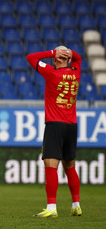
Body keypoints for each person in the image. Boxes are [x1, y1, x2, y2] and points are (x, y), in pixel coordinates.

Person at [26, 46, 82, 218]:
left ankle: (51, 208)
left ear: (57, 59)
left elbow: (31, 57)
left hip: (55, 124)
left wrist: (52, 52)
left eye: (55, 57)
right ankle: (76, 205)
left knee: (51, 165)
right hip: (72, 125)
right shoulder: (76, 71)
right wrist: (70, 53)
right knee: (70, 166)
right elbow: (79, 59)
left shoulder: (51, 72)